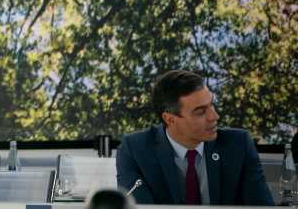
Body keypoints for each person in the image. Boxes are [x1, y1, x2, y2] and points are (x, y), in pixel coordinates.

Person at [116, 70, 274, 205]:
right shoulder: (134, 149)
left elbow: (261, 207)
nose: (214, 116)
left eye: (211, 105)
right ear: (169, 119)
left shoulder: (239, 145)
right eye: (200, 112)